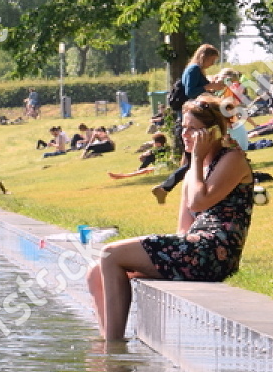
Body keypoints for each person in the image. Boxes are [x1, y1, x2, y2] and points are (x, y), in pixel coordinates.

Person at [88, 96, 254, 341]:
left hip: (215, 254)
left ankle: (113, 348)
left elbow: (200, 201)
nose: (185, 134)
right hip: (194, 249)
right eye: (183, 128)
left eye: (193, 129)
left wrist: (196, 158)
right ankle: (108, 341)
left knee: (110, 254)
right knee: (95, 272)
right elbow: (184, 230)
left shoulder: (232, 159)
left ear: (214, 132)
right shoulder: (193, 172)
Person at [153, 44, 223, 204]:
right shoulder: (193, 70)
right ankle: (164, 188)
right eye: (212, 60)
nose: (212, 64)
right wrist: (209, 86)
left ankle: (167, 188)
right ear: (204, 57)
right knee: (193, 161)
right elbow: (191, 92)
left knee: (191, 161)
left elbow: (199, 91)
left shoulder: (194, 70)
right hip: (192, 121)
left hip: (192, 120)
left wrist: (212, 88)